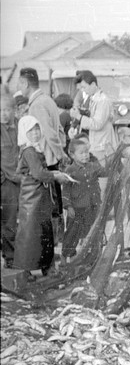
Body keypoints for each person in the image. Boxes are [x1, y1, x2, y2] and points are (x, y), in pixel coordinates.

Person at [14, 116, 72, 279]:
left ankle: (41, 266)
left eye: (37, 129)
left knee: (39, 231)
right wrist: (55, 177)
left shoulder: (32, 149)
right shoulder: (30, 151)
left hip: (37, 196)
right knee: (32, 233)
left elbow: (35, 171)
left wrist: (53, 173)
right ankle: (29, 268)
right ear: (24, 133)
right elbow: (39, 173)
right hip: (33, 198)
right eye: (30, 130)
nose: (35, 133)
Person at [61, 137, 105, 263]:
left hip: (92, 206)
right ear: (72, 155)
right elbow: (66, 191)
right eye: (81, 153)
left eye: (87, 152)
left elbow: (105, 171)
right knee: (72, 233)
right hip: (76, 208)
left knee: (91, 232)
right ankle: (66, 256)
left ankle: (91, 257)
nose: (85, 155)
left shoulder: (93, 166)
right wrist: (68, 206)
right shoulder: (70, 170)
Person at [71, 70, 118, 167]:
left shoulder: (102, 101)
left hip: (102, 146)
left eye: (84, 87)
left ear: (93, 84)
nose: (83, 90)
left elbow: (97, 124)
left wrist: (79, 117)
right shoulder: (92, 99)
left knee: (103, 175)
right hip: (97, 144)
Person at [1, 93, 20, 267]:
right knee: (8, 221)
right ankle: (10, 257)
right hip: (6, 182)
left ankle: (14, 258)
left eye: (7, 109)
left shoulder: (20, 127)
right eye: (1, 110)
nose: (4, 114)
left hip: (19, 180)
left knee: (14, 221)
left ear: (13, 110)